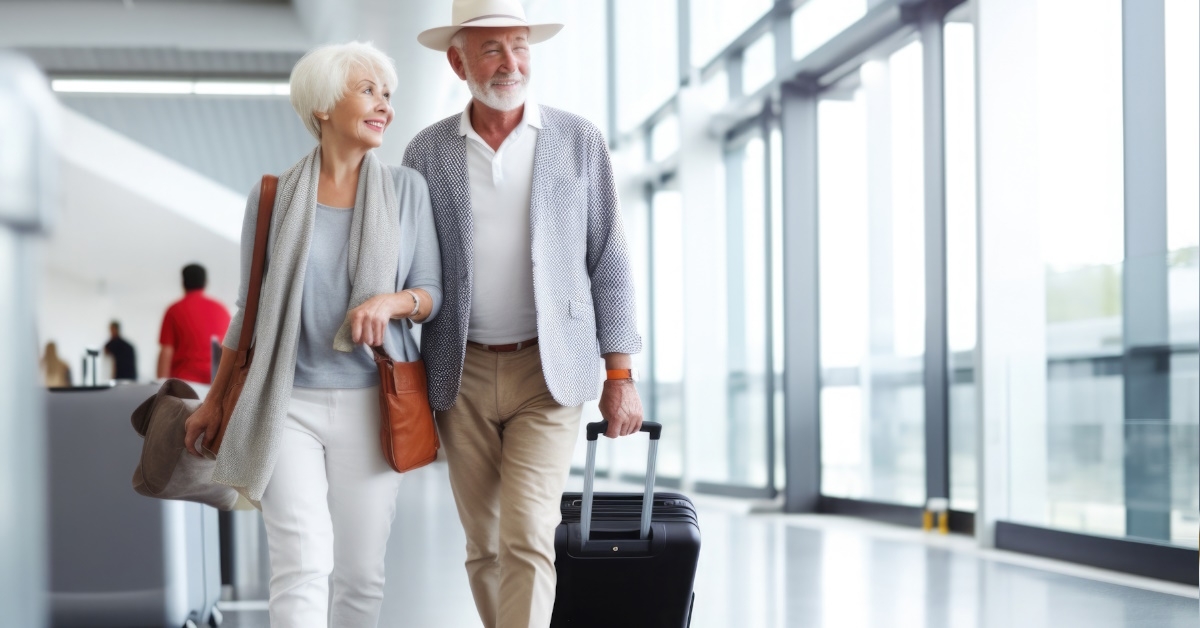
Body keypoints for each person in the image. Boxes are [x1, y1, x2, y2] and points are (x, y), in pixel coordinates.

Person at [182, 41, 442, 628]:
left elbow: (430, 294)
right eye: (368, 90)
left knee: (359, 574)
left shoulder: (406, 191)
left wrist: (393, 301)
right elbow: (248, 310)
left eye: (388, 94)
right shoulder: (273, 196)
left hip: (374, 404)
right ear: (323, 106)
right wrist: (215, 399)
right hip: (285, 401)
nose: (384, 107)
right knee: (300, 562)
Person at [407, 2, 644, 626]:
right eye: (491, 49)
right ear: (458, 62)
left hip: (549, 370)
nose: (511, 63)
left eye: (520, 46)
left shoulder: (577, 140)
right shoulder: (427, 152)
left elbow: (609, 259)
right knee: (484, 544)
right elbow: (409, 267)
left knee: (528, 533)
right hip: (460, 375)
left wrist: (619, 376)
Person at [157, 264, 231, 384]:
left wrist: (160, 386)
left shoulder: (174, 310)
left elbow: (167, 351)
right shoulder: (221, 310)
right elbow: (228, 348)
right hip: (214, 383)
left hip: (183, 385)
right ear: (205, 282)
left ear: (183, 282)